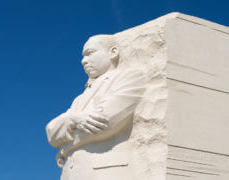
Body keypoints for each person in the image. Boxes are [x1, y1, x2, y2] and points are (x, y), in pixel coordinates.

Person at [46, 34, 151, 180]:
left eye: (90, 53)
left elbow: (103, 122)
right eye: (83, 56)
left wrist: (65, 148)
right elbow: (51, 132)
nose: (83, 61)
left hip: (105, 171)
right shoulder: (79, 99)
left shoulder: (128, 78)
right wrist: (72, 119)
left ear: (113, 52)